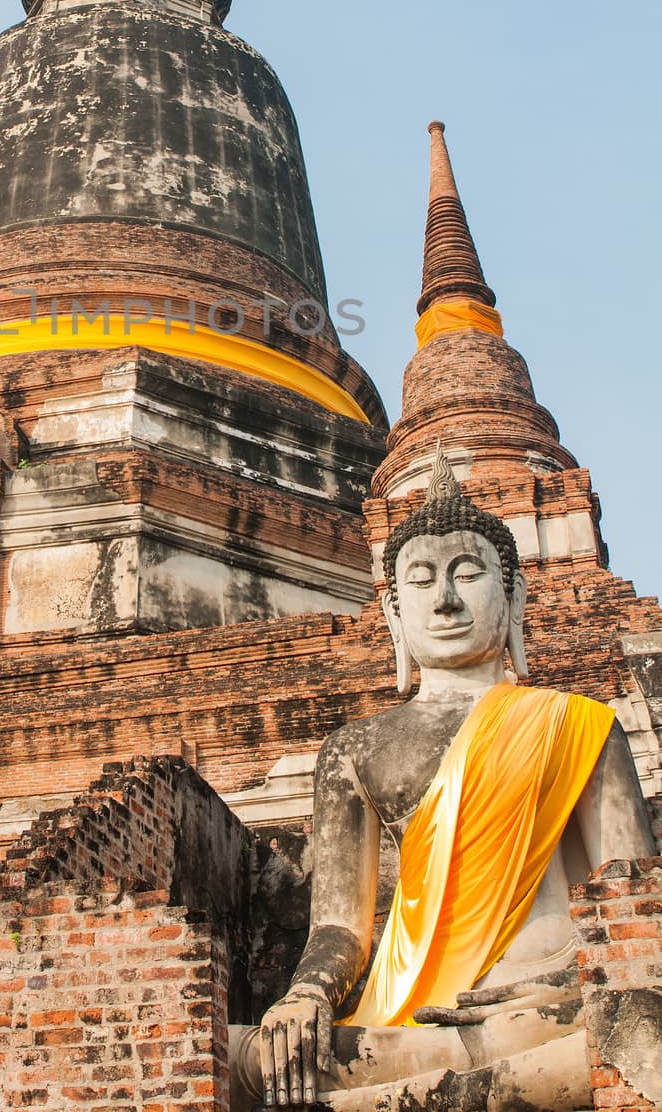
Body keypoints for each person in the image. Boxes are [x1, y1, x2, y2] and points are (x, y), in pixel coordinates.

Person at [230, 449, 655, 1111]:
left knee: (634, 1030)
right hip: (412, 1016)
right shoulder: (355, 747)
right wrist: (305, 994)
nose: (447, 598)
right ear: (394, 612)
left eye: (467, 573)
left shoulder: (579, 724)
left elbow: (632, 907)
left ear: (511, 596)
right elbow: (340, 929)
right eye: (421, 580)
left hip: (550, 1003)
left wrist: (575, 975)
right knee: (238, 1055)